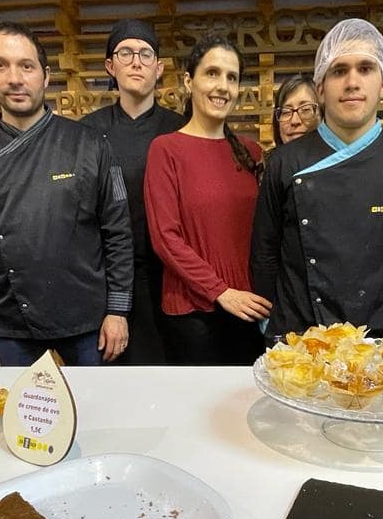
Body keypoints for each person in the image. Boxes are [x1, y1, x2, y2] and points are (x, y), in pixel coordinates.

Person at [0, 22, 133, 366]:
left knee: (96, 411)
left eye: (26, 66)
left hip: (88, 320)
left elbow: (118, 233)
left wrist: (118, 310)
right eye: (1, 65)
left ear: (45, 76)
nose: (15, 78)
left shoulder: (91, 145)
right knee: (19, 417)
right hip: (8, 325)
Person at [250, 18, 383, 341]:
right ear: (320, 88)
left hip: (376, 338)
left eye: (365, 69)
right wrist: (270, 323)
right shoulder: (284, 163)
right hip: (297, 337)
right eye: (338, 71)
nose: (352, 82)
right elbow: (265, 252)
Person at [143, 34, 269, 365]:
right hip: (193, 312)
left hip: (249, 306)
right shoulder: (166, 149)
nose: (223, 86)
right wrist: (221, 291)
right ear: (189, 81)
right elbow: (165, 239)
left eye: (232, 77)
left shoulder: (251, 151)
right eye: (212, 73)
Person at [81, 19, 185, 365]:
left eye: (145, 53)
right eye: (125, 53)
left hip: (174, 276)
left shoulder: (181, 128)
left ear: (160, 68)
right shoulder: (88, 134)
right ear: (110, 66)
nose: (136, 61)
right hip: (110, 282)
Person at [273, 74, 321, 146]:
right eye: (286, 112)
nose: (294, 121)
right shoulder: (270, 157)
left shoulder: (341, 156)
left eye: (305, 110)